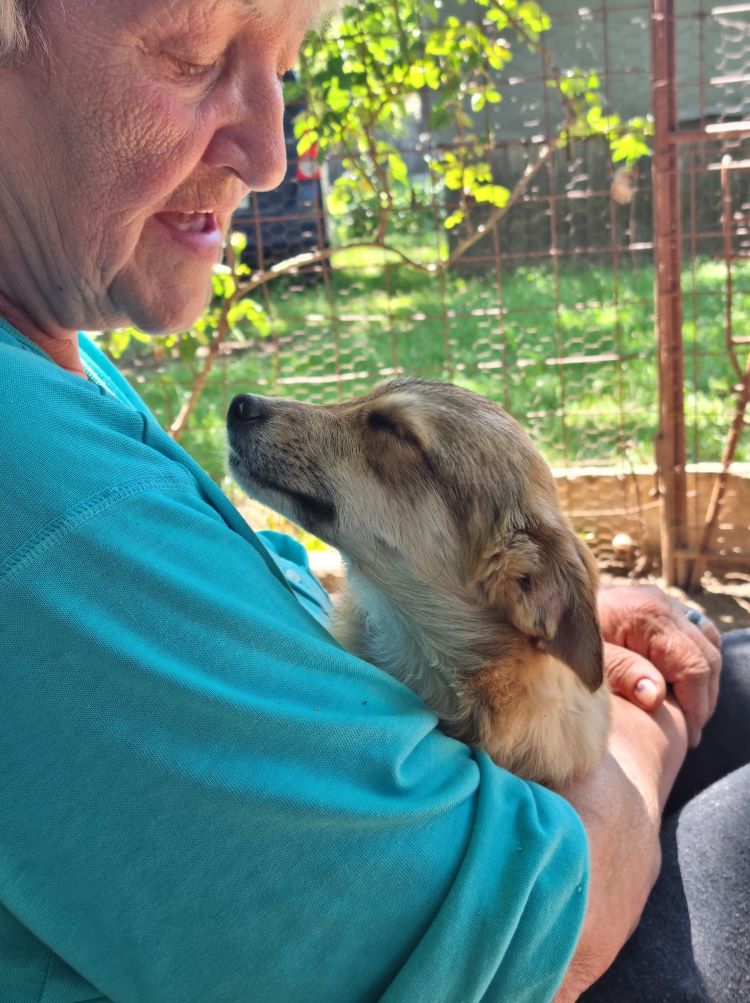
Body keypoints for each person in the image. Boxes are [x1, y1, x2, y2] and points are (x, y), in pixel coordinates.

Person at [0, 1, 746, 1000]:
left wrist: (558, 625)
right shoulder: (46, 515)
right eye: (193, 53)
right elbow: (542, 938)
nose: (272, 155)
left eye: (286, 65)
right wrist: (647, 731)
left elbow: (261, 615)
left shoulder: (58, 369)